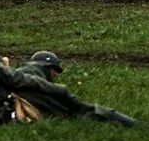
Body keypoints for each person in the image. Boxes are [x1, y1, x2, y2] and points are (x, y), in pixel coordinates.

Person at [10, 51, 140, 126]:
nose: (56, 75)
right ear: (50, 67)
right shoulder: (34, 72)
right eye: (56, 71)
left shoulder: (20, 71)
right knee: (88, 111)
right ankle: (137, 125)